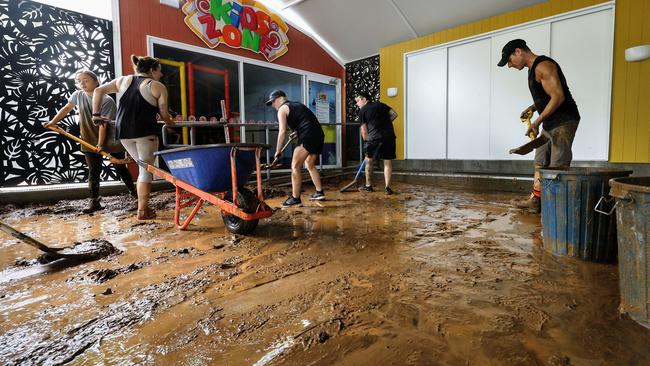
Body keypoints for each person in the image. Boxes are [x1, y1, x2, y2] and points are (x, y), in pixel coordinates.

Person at [498, 39, 580, 213]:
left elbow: (558, 97)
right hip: (550, 122)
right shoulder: (532, 70)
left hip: (564, 121)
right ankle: (536, 200)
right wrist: (533, 107)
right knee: (540, 161)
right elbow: (546, 95)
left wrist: (536, 122)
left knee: (557, 165)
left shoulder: (544, 66)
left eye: (510, 61)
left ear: (518, 52)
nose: (510, 66)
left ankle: (556, 209)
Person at [92, 55, 175, 220]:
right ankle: (142, 210)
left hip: (123, 132)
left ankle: (143, 207)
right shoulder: (157, 86)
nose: (161, 75)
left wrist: (96, 114)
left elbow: (98, 90)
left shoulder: (123, 80)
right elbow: (164, 114)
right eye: (160, 71)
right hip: (145, 132)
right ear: (152, 70)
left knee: (142, 167)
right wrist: (171, 124)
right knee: (145, 170)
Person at [43, 69, 136, 214]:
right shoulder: (78, 95)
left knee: (120, 168)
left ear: (96, 81)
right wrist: (53, 122)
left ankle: (135, 195)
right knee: (93, 172)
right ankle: (94, 201)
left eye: (86, 80)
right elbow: (67, 108)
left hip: (111, 139)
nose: (82, 83)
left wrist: (100, 144)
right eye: (79, 81)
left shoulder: (106, 100)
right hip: (88, 139)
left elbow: (103, 124)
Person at [266, 90, 326, 207]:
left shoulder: (282, 109)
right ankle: (319, 192)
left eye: (273, 102)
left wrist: (278, 151)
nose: (273, 105)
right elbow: (307, 120)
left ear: (279, 98)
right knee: (310, 164)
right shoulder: (298, 105)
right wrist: (297, 132)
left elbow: (282, 131)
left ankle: (295, 198)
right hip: (318, 134)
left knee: (295, 166)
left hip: (308, 135)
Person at [354, 92, 398, 195]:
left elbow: (364, 131)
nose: (357, 103)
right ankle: (387, 188)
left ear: (364, 99)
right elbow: (394, 114)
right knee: (387, 161)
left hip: (373, 138)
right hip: (389, 137)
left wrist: (366, 142)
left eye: (358, 100)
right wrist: (385, 123)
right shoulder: (381, 105)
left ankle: (368, 186)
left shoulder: (362, 111)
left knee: (369, 161)